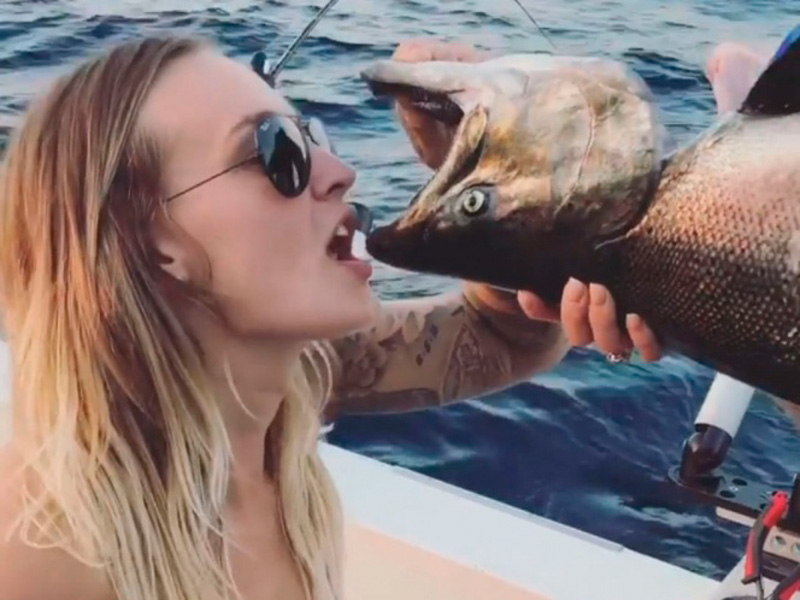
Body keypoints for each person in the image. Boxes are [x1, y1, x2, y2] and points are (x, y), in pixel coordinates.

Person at [0, 28, 736, 600]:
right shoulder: (39, 543)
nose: (340, 172)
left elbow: (498, 336)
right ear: (149, 242)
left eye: (311, 135)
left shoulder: (286, 388)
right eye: (276, 152)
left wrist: (495, 186)